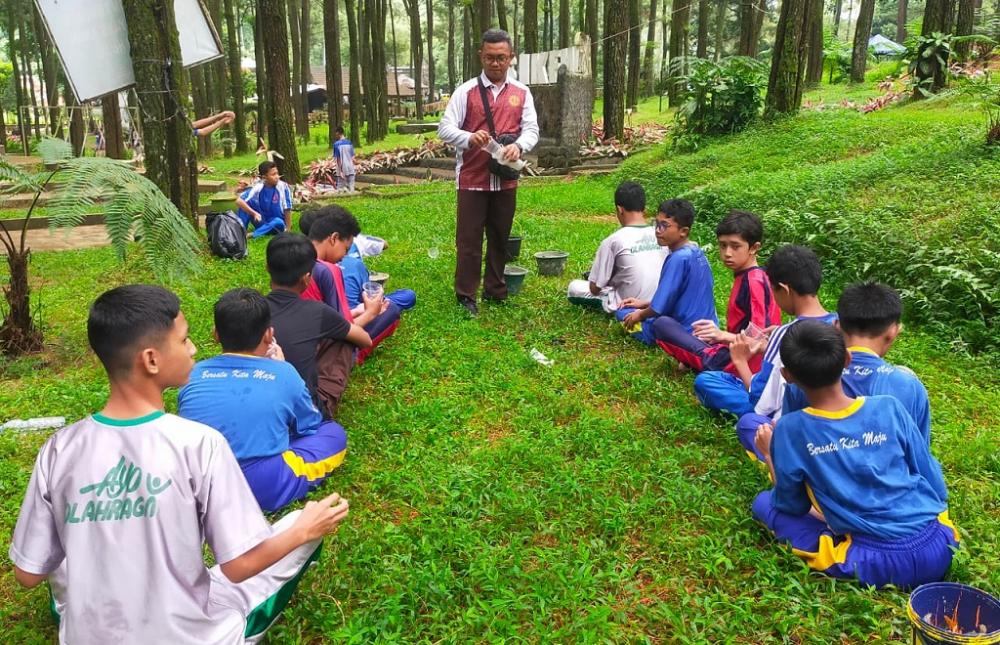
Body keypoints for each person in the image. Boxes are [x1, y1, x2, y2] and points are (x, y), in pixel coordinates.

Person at [8, 284, 350, 643]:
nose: (194, 349)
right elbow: (238, 567)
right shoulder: (199, 444)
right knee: (299, 522)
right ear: (151, 359)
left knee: (68, 540)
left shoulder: (58, 449)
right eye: (184, 340)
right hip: (193, 635)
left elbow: (28, 574)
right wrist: (304, 530)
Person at [750, 321, 958, 589]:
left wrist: (769, 455)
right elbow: (933, 481)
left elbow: (792, 505)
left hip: (874, 562)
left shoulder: (791, 429)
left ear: (787, 376)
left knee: (764, 503)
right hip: (940, 544)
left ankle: (836, 531)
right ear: (847, 359)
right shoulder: (890, 407)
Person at [178, 288, 348, 513]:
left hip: (200, 484)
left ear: (216, 334)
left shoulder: (194, 372)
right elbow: (310, 424)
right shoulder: (284, 373)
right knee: (334, 434)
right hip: (261, 483)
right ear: (269, 335)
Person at [438, 28, 539, 316]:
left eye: (502, 58)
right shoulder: (466, 92)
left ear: (511, 58)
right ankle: (466, 294)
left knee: (500, 236)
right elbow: (445, 128)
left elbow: (531, 129)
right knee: (469, 240)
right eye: (490, 57)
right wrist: (469, 138)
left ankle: (495, 288)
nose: (496, 63)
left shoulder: (522, 92)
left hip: (505, 180)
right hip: (472, 179)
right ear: (481, 56)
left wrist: (519, 146)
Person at [693, 245, 837, 422]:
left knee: (706, 381)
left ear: (784, 289)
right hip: (828, 411)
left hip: (782, 414)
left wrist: (740, 360)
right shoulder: (838, 325)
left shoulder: (785, 334)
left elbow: (760, 399)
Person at [783, 282, 931, 445]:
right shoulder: (909, 386)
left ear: (837, 326)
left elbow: (790, 442)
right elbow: (918, 451)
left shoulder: (803, 375)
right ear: (892, 332)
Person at [655, 210, 782, 373]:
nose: (727, 253)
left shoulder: (753, 281)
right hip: (734, 350)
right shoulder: (754, 275)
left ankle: (700, 360)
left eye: (735, 246)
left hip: (738, 364)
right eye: (723, 245)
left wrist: (722, 336)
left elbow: (760, 341)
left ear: (754, 248)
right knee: (697, 331)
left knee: (662, 325)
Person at [265, 233, 373, 416]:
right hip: (305, 411)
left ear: (267, 268)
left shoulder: (252, 310)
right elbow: (365, 340)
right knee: (345, 339)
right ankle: (326, 402)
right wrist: (370, 312)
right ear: (307, 278)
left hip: (260, 401)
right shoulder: (318, 311)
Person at [300, 206, 401, 364]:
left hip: (293, 343)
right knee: (392, 310)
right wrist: (370, 313)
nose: (344, 257)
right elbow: (339, 329)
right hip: (321, 353)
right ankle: (351, 357)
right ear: (333, 238)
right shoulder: (330, 270)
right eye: (346, 249)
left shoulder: (294, 258)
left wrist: (355, 311)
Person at [617, 199, 718, 346]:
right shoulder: (697, 251)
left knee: (622, 314)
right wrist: (643, 303)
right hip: (708, 329)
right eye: (657, 224)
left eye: (665, 225)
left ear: (683, 231)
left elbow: (658, 309)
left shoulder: (677, 258)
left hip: (683, 331)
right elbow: (679, 297)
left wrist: (639, 314)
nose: (658, 230)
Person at [566, 181, 667, 313]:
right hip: (660, 300)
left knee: (574, 287)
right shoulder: (662, 235)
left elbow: (594, 288)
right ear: (644, 208)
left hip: (627, 303)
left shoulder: (613, 240)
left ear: (620, 209)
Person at [237, 161, 294, 238]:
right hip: (261, 220)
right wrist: (254, 213)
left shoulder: (283, 187)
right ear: (264, 177)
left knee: (279, 222)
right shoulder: (258, 186)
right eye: (273, 174)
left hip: (276, 223)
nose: (277, 176)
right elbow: (239, 201)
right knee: (245, 203)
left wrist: (288, 229)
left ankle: (252, 234)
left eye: (277, 173)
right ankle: (241, 231)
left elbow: (287, 209)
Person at [332, 126, 357, 193]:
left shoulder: (336, 144)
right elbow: (353, 157)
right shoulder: (349, 143)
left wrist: (340, 171)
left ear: (338, 133)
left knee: (340, 187)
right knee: (351, 186)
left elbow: (338, 159)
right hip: (351, 167)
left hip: (342, 168)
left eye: (335, 133)